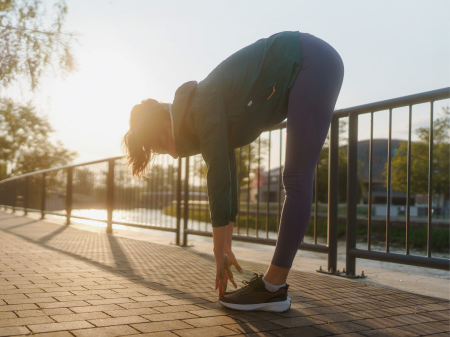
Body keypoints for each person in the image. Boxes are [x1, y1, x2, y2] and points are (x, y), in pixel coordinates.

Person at [122, 31, 344, 312]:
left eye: (161, 144)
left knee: (296, 180)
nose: (171, 153)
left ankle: (273, 289)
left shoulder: (201, 105)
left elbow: (217, 173)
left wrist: (216, 250)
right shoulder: (199, 110)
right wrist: (225, 246)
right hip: (309, 63)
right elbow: (227, 169)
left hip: (309, 61)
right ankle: (272, 289)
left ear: (166, 124)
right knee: (296, 180)